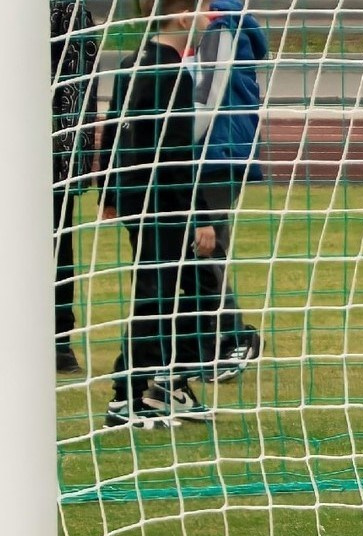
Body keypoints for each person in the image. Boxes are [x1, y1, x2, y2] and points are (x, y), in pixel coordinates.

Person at [0, 0, 101, 375]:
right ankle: (9, 335)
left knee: (51, 244)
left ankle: (56, 342)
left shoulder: (67, 9)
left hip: (45, 154)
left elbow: (75, 85)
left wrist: (56, 153)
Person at [99, 0, 221, 427]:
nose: (211, 18)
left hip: (138, 197)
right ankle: (127, 396)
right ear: (185, 17)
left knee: (178, 288)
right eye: (205, 9)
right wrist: (201, 215)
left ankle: (169, 381)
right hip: (163, 201)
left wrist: (110, 192)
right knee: (160, 295)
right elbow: (173, 154)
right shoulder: (171, 73)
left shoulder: (134, 61)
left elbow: (113, 128)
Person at [184, 0, 266, 383]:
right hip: (219, 148)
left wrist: (179, 139)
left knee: (205, 245)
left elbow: (208, 91)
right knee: (200, 245)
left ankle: (234, 335)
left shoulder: (221, 26)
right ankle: (206, 342)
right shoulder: (218, 24)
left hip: (217, 149)